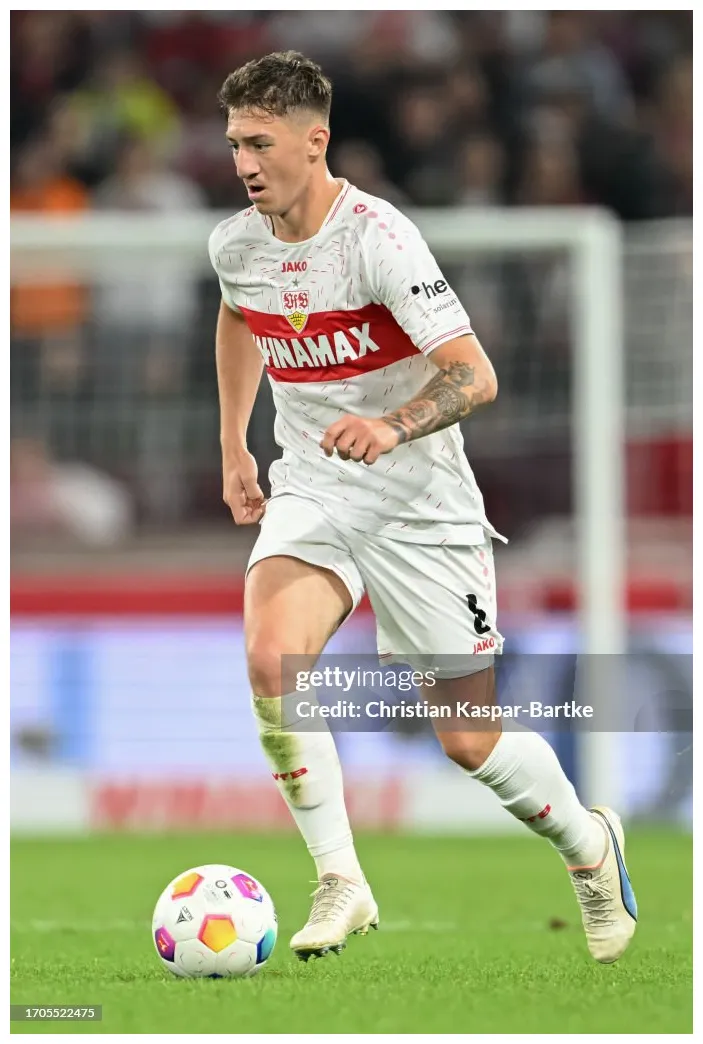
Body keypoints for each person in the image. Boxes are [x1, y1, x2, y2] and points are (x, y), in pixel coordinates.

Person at [209, 50, 637, 965]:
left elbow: (473, 374)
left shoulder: (378, 239)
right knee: (268, 657)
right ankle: (340, 879)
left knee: (467, 738)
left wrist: (392, 425)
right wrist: (233, 442)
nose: (244, 163)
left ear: (312, 141)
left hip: (420, 505)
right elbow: (240, 315)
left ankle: (591, 849)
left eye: (260, 143)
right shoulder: (236, 244)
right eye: (235, 143)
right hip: (313, 485)